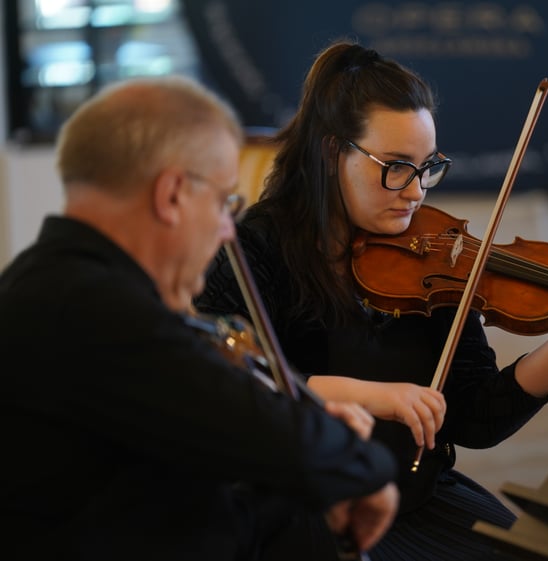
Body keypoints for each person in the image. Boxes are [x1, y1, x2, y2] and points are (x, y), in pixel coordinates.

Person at [194, 39, 548, 561]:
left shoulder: (435, 256)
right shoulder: (255, 248)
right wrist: (373, 396)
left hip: (418, 496)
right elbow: (231, 386)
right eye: (396, 166)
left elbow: (477, 417)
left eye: (428, 167)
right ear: (332, 153)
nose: (417, 191)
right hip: (306, 508)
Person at [0, 75, 400, 561]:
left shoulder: (45, 282)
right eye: (223, 203)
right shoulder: (96, 309)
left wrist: (314, 468)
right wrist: (357, 461)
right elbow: (273, 437)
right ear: (172, 195)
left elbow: (197, 518)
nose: (228, 230)